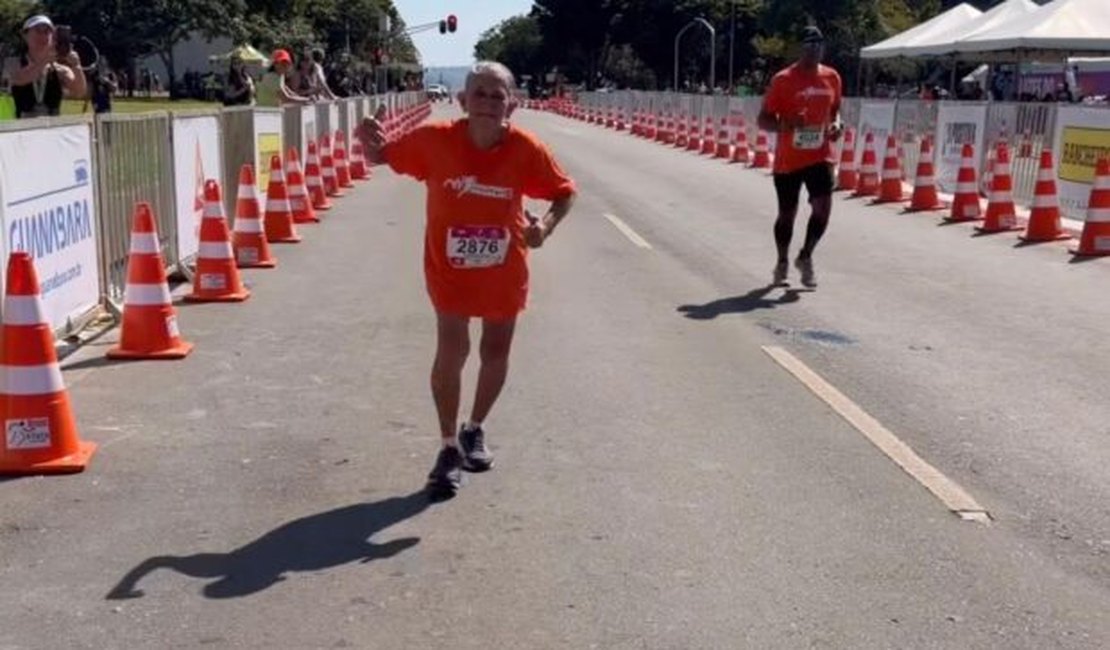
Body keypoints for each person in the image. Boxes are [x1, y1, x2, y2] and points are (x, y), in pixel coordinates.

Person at [357, 61, 578, 500]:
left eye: (498, 96)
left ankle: (473, 428)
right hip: (450, 268)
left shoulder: (526, 149)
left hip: (504, 268)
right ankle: (447, 448)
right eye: (480, 93)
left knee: (494, 350)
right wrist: (369, 141)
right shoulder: (436, 141)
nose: (489, 103)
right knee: (453, 349)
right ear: (462, 101)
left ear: (511, 106)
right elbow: (383, 156)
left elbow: (564, 191)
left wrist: (545, 228)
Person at [757, 25, 842, 288]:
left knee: (823, 209)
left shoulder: (832, 77)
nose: (815, 48)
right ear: (801, 48)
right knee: (787, 214)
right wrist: (786, 125)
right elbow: (763, 119)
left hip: (820, 156)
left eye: (819, 44)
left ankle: (805, 256)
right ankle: (782, 261)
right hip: (789, 160)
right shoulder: (783, 80)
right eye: (809, 44)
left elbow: (836, 110)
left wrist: (838, 124)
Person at [6, 15, 87, 118]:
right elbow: (19, 79)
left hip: (52, 129)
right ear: (25, 36)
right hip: (23, 129)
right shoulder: (14, 62)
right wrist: (44, 61)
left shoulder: (59, 69)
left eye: (47, 32)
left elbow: (79, 91)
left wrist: (77, 66)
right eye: (38, 31)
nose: (43, 36)